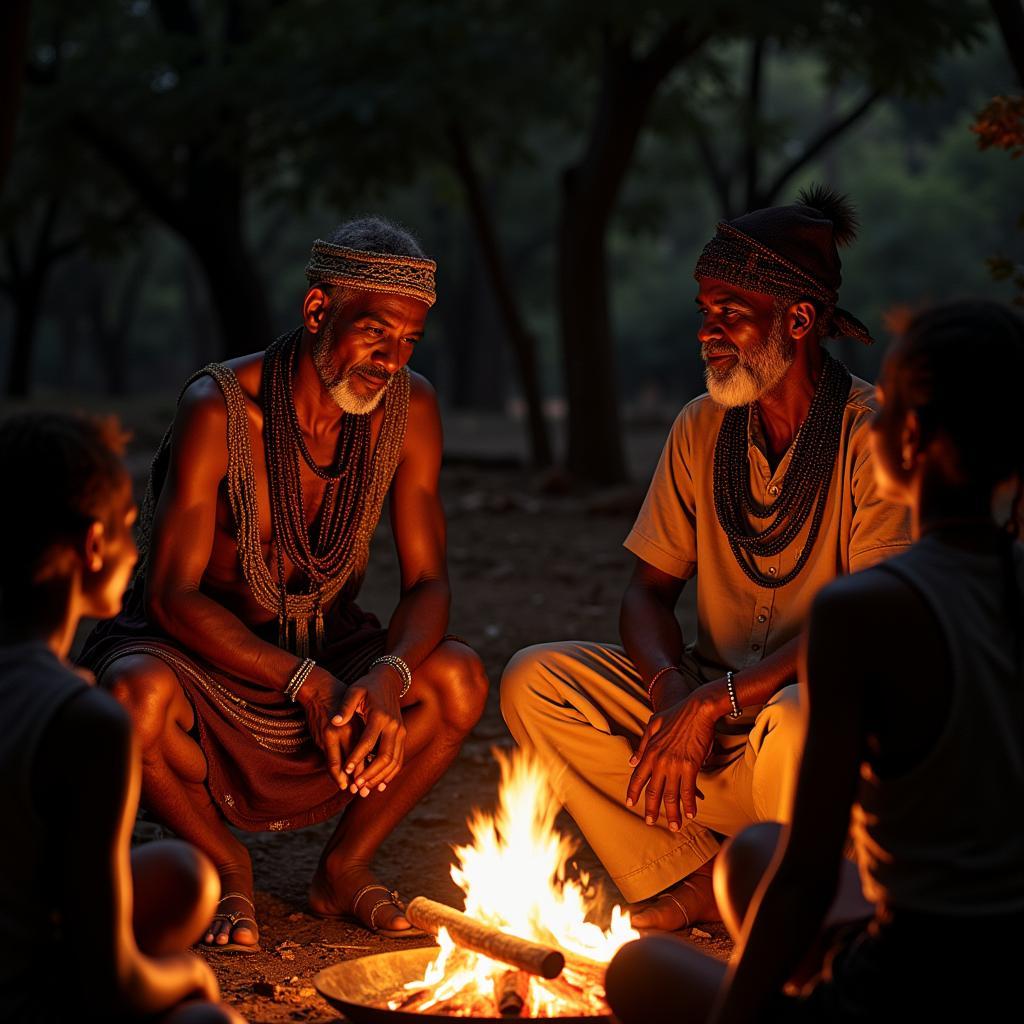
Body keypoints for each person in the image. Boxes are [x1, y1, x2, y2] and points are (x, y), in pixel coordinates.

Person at [501, 187, 910, 929]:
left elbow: (868, 627)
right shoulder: (700, 426)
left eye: (730, 311)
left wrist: (716, 705)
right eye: (704, 310)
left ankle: (775, 883)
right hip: (705, 704)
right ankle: (691, 874)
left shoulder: (873, 435)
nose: (706, 333)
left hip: (802, 728)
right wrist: (669, 699)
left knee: (797, 718)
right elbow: (646, 594)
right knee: (535, 679)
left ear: (798, 318)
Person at [605, 300, 1024, 1021]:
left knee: (639, 969)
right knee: (752, 853)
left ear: (910, 437)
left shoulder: (864, 610)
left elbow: (806, 877)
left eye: (888, 404)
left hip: (910, 980)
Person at [79, 217, 489, 950]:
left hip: (329, 646)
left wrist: (390, 677)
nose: (391, 360)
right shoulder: (219, 408)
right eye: (375, 333)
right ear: (317, 311)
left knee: (456, 678)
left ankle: (344, 867)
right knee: (130, 701)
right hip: (201, 655)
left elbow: (428, 581)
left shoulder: (410, 409)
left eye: (408, 343)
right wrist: (303, 682)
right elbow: (173, 595)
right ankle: (228, 865)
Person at [0, 411, 243, 1024]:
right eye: (129, 531)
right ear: (93, 546)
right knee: (206, 1019)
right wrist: (191, 975)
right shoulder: (85, 722)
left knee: (182, 874)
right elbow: (114, 987)